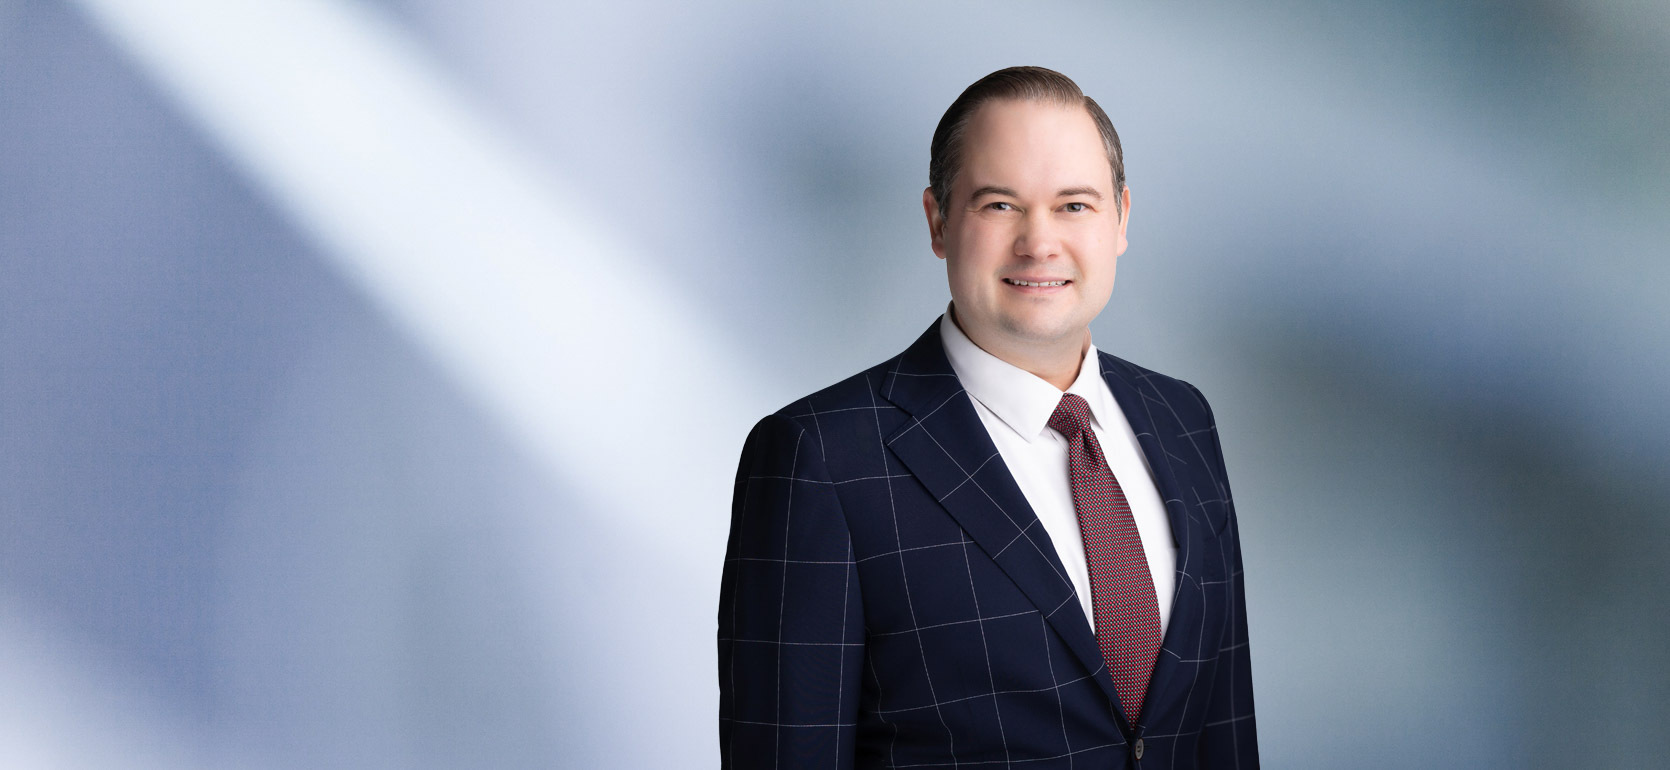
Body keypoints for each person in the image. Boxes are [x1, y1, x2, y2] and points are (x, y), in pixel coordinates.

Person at [718, 66, 1258, 769]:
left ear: (1121, 219)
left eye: (1074, 206)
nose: (1040, 243)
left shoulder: (1183, 419)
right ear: (938, 221)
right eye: (1000, 205)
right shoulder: (821, 458)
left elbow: (1224, 731)